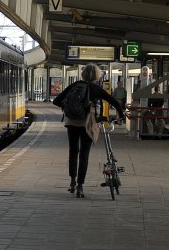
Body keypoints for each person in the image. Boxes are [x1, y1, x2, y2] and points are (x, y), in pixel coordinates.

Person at [53, 64, 126, 198]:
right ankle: (81, 186)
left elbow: (56, 101)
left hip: (71, 123)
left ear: (83, 74)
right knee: (84, 154)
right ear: (97, 76)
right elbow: (114, 101)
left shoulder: (75, 85)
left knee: (73, 152)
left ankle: (72, 182)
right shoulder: (95, 88)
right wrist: (121, 115)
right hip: (87, 124)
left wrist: (70, 108)